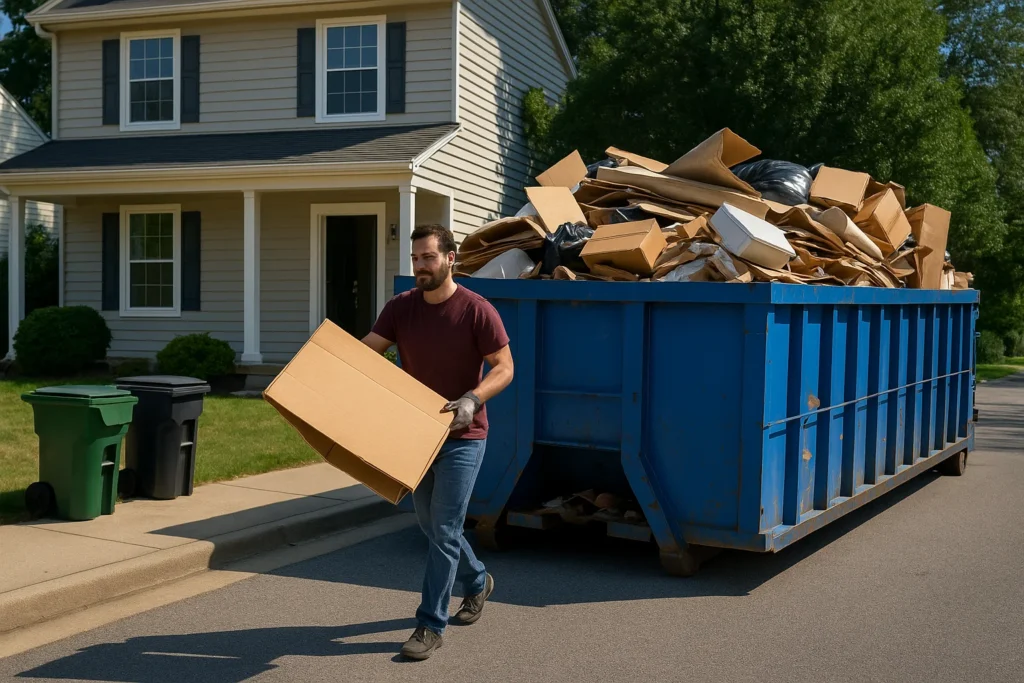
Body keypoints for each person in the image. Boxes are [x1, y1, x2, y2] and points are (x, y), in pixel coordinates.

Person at [362, 224, 515, 660]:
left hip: (464, 436)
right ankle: (478, 579)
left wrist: (473, 398)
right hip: (418, 433)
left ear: (451, 258)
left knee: (444, 527)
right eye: (415, 259)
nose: (420, 267)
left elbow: (504, 367)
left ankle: (430, 625)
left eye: (428, 257)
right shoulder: (401, 308)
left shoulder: (476, 310)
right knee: (430, 525)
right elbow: (366, 350)